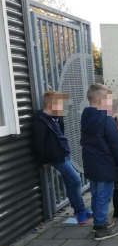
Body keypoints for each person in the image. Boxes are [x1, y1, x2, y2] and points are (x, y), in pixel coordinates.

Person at [33, 91, 93, 224]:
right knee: (76, 181)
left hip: (64, 154)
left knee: (70, 183)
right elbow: (39, 142)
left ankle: (79, 210)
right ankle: (80, 211)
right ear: (50, 104)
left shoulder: (57, 117)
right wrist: (44, 160)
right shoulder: (40, 120)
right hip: (56, 157)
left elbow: (61, 133)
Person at [80, 84, 118, 240]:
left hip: (91, 163)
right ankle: (101, 228)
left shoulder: (86, 116)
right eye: (109, 99)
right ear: (101, 100)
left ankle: (99, 221)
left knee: (96, 195)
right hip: (105, 165)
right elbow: (116, 146)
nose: (111, 102)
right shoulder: (106, 120)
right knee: (104, 197)